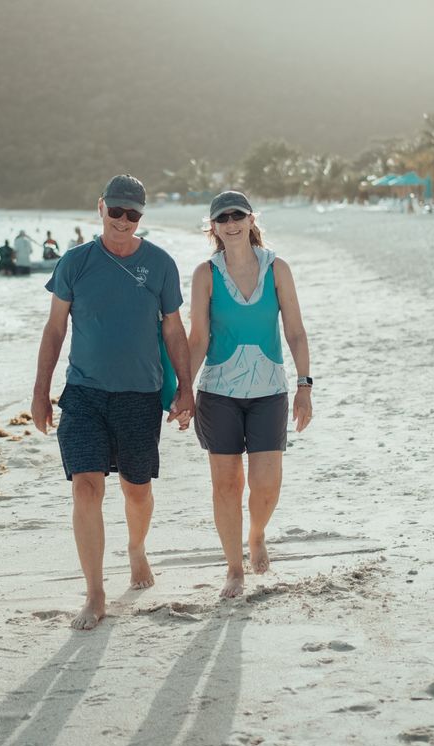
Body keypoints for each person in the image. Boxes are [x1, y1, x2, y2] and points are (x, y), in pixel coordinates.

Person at [32, 174, 195, 630]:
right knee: (85, 486)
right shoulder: (75, 262)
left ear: (141, 216)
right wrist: (41, 391)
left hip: (140, 396)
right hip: (83, 394)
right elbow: (54, 330)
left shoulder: (160, 264)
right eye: (116, 211)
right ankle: (95, 593)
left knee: (136, 488)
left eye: (133, 214)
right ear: (100, 207)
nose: (123, 221)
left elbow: (173, 330)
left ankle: (137, 547)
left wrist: (186, 388)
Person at [187, 190, 312, 599]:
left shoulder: (278, 269)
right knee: (226, 485)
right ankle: (234, 568)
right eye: (222, 218)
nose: (231, 223)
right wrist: (183, 390)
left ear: (251, 219)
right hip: (218, 391)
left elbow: (294, 330)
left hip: (268, 392)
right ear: (214, 228)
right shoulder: (205, 274)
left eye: (237, 214)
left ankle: (257, 532)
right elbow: (199, 337)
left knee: (266, 485)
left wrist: (304, 386)